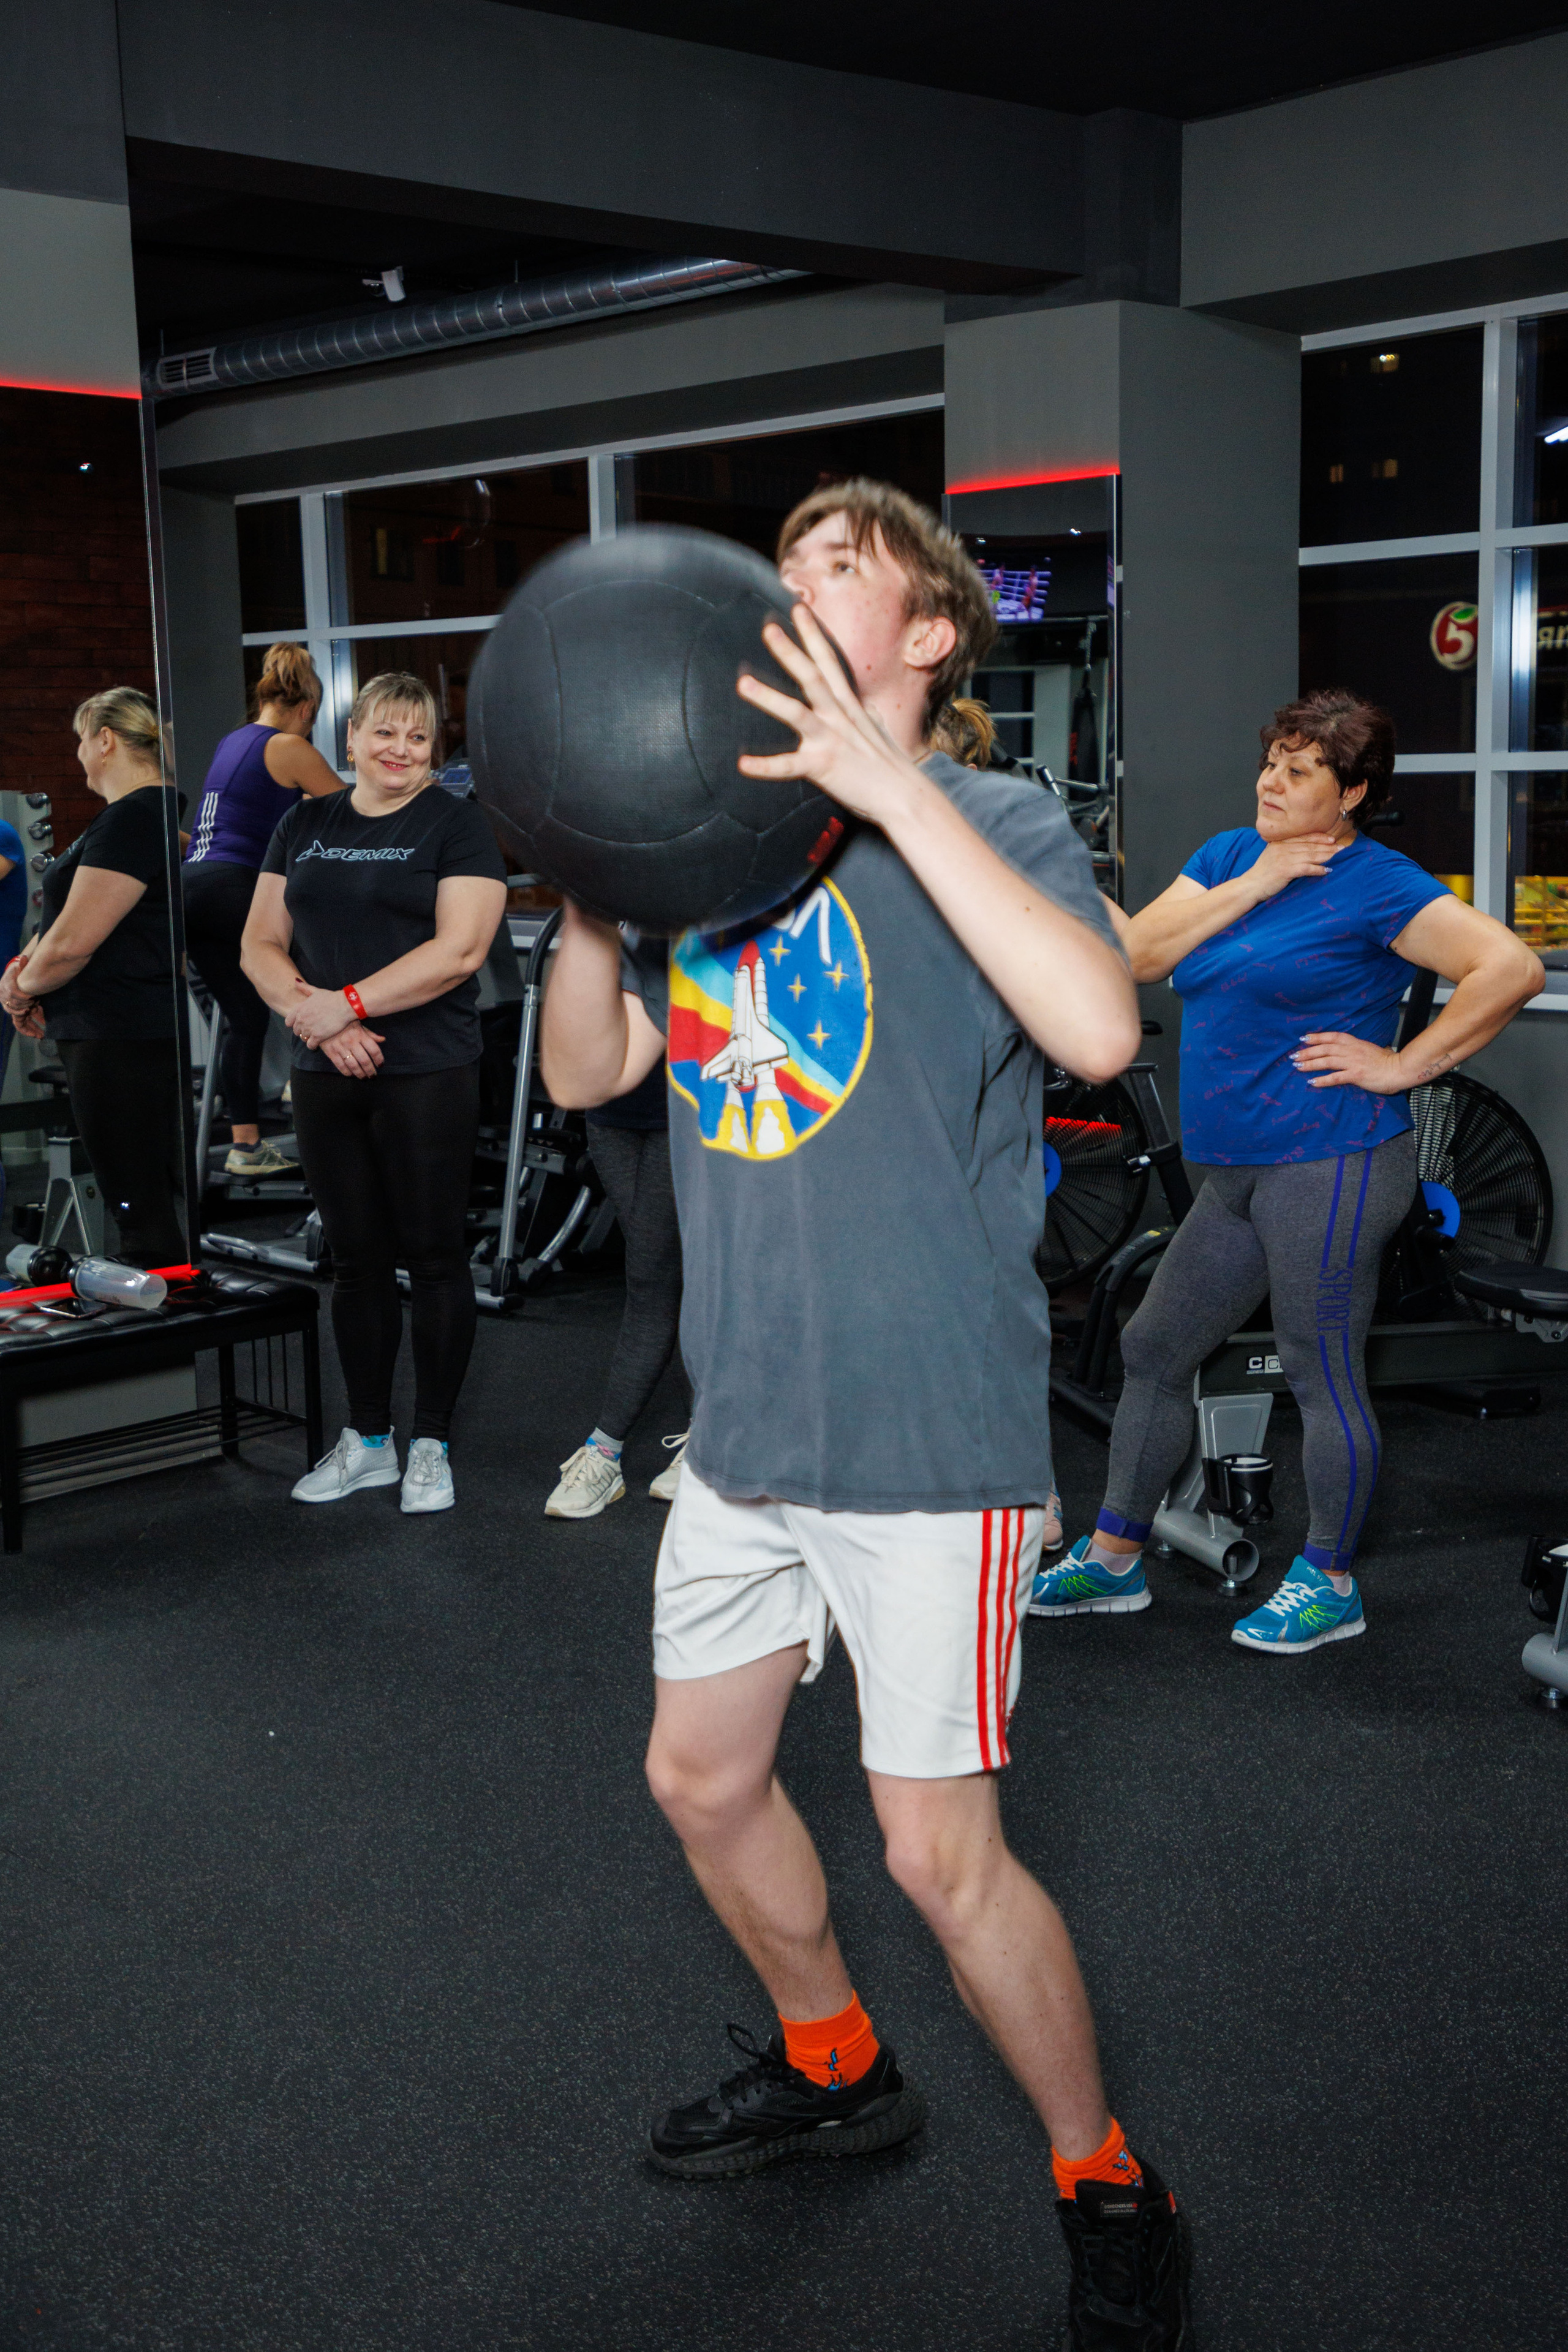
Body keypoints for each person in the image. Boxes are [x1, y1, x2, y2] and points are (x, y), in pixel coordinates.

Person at [541, 480, 1191, 2349]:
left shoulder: (991, 818)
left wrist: (891, 793)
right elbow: (589, 1068)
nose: (795, 581)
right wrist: (588, 889)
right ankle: (835, 2063)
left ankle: (1105, 2176)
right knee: (699, 1777)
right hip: (745, 1430)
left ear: (928, 632)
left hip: (926, 1443)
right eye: (786, 561)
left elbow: (1096, 1031)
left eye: (842, 561)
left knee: (936, 1857)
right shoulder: (710, 846)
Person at [1031, 689, 1544, 1653]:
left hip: (1333, 1161)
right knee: (1155, 1348)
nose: (1271, 780)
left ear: (1351, 793)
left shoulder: (1379, 883)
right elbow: (1138, 955)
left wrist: (1405, 1065)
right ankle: (1114, 1558)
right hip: (1237, 1170)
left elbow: (1510, 968)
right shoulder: (1233, 855)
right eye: (1271, 761)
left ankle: (1331, 1581)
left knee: (1318, 1370)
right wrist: (1260, 879)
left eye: (1300, 770)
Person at [241, 672, 507, 1515]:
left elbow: (460, 952)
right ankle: (367, 1441)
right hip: (326, 1070)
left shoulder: (456, 825)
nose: (400, 750)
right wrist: (322, 1024)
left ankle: (431, 1441)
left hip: (426, 1069)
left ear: (433, 751)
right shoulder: (304, 823)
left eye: (418, 737)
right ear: (350, 739)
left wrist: (347, 1003)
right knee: (353, 1261)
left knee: (432, 1255)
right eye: (384, 733)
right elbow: (259, 943)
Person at [0, 688, 186, 1268]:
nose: (79, 754)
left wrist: (22, 988)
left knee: (140, 1208)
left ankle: (161, 1311)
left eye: (81, 740)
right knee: (133, 1197)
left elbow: (75, 942)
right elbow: (60, 924)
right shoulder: (122, 818)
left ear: (105, 740)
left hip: (119, 1031)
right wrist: (21, 972)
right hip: (105, 1028)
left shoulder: (135, 817)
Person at [184, 643, 342, 1177]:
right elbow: (352, 818)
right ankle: (308, 1085)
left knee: (245, 1019)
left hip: (193, 887)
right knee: (322, 966)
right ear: (306, 708)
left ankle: (246, 1146)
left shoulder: (233, 741)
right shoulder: (288, 747)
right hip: (236, 887)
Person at [545, 1056, 691, 1518]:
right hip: (611, 1103)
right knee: (663, 1271)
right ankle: (707, 1435)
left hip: (690, 1100)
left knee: (655, 1274)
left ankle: (607, 1449)